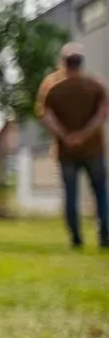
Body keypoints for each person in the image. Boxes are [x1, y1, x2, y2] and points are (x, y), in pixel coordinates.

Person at [35, 42, 108, 249]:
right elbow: (102, 113)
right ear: (81, 63)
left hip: (66, 152)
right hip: (94, 149)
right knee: (101, 193)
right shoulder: (94, 84)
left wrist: (66, 136)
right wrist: (84, 135)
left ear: (62, 62)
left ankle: (76, 239)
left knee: (71, 195)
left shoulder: (52, 86)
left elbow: (45, 115)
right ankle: (105, 237)